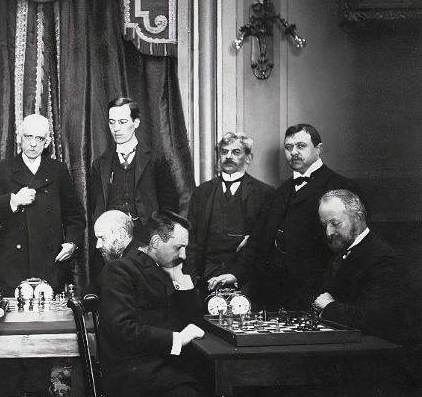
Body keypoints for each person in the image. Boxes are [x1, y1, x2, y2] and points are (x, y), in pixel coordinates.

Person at [306, 189, 422, 397]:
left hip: (382, 362)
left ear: (357, 217)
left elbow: (370, 318)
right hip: (351, 355)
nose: (328, 232)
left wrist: (328, 307)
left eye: (335, 223)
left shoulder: (381, 258)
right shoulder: (344, 252)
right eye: (324, 225)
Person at [97, 211, 214, 397]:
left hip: (160, 369)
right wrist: (177, 339)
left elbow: (195, 324)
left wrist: (184, 285)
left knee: (228, 392)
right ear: (156, 242)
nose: (183, 255)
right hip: (133, 378)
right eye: (179, 247)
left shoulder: (166, 269)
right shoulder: (120, 269)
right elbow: (123, 330)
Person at [244, 123, 360, 310]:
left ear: (318, 149)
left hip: (316, 293)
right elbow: (258, 238)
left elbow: (352, 245)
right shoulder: (278, 192)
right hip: (274, 295)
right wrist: (235, 273)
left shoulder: (342, 187)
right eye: (289, 147)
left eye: (301, 146)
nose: (294, 152)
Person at [0, 113, 85, 295]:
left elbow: (74, 215)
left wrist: (72, 243)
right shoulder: (3, 169)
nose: (33, 144)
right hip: (12, 265)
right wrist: (13, 200)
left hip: (50, 264)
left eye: (39, 138)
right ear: (18, 138)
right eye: (28, 137)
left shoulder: (58, 170)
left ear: (47, 143)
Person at [184, 132, 273, 299]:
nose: (229, 156)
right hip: (207, 273)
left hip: (246, 276)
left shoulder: (264, 193)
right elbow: (191, 237)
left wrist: (239, 273)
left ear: (249, 158)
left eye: (236, 152)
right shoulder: (202, 192)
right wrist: (192, 276)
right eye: (224, 152)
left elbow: (263, 240)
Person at [89, 97, 180, 243]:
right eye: (112, 122)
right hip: (112, 241)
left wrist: (159, 237)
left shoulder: (155, 160)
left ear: (136, 123)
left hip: (147, 240)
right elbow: (96, 207)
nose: (116, 128)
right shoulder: (100, 164)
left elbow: (169, 205)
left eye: (122, 122)